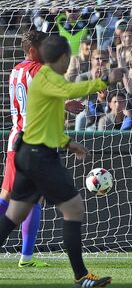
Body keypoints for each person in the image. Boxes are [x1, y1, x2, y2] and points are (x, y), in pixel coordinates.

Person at [0, 34, 122, 287]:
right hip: (37, 154)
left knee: (14, 213)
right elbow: (70, 90)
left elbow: (47, 116)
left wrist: (68, 143)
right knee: (73, 208)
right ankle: (81, 275)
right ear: (63, 57)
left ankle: (71, 271)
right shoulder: (45, 75)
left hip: (26, 147)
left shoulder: (25, 73)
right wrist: (105, 80)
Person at [1, 31, 82, 268]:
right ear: (34, 51)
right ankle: (26, 256)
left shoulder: (15, 70)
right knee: (14, 198)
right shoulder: (36, 69)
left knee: (27, 198)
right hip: (32, 142)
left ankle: (27, 257)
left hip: (16, 138)